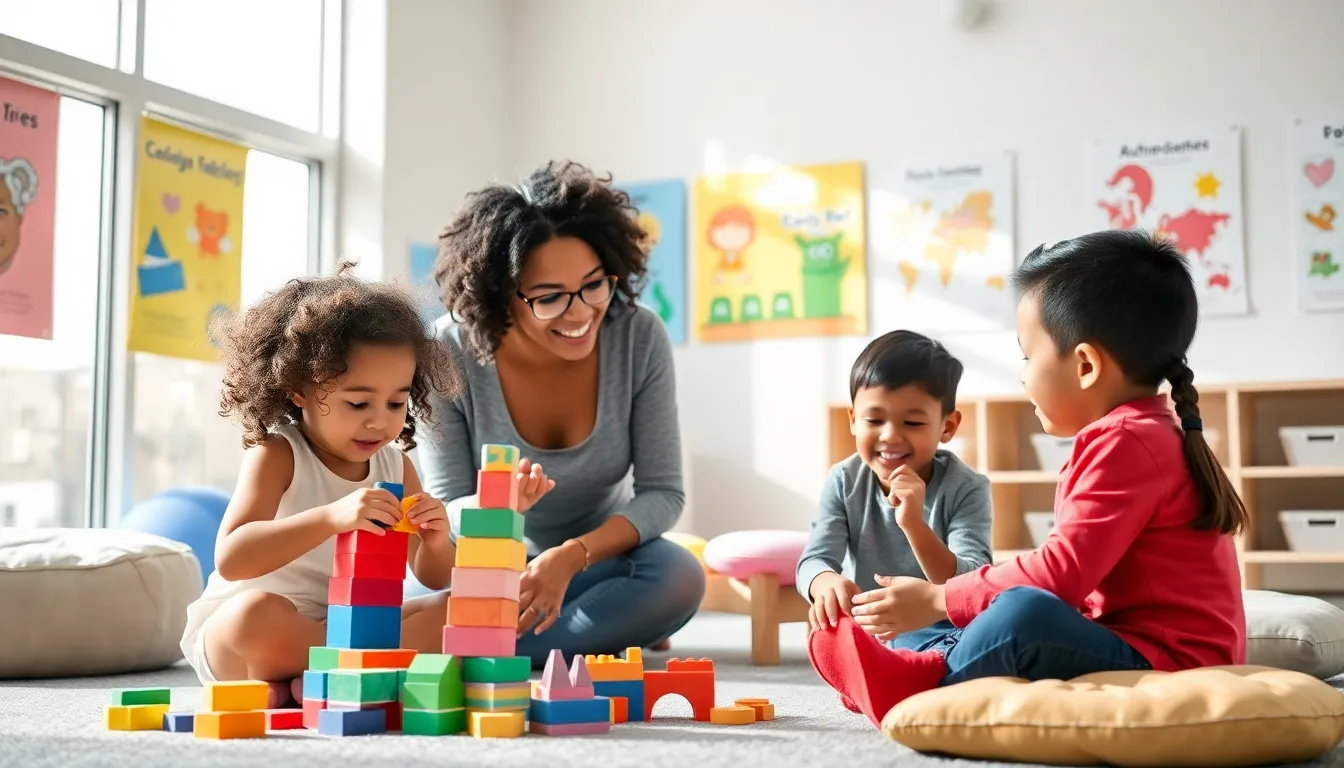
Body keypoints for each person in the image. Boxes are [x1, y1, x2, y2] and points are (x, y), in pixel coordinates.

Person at [808, 229, 1248, 728]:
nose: (1021, 374)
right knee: (931, 628)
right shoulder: (1145, 431)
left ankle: (918, 686)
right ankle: (918, 661)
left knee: (1022, 615)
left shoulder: (1126, 441)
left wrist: (937, 597)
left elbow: (1060, 577)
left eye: (1026, 355)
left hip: (1168, 664)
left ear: (1084, 364)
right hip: (1133, 642)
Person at [417, 160, 705, 667]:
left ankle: (490, 646)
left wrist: (573, 556)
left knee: (678, 577)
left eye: (594, 285)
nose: (580, 312)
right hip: (486, 558)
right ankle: (591, 631)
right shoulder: (446, 352)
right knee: (408, 585)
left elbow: (664, 494)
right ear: (499, 298)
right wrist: (500, 510)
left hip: (598, 557)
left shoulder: (638, 337)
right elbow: (448, 505)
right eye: (549, 298)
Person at [179, 263, 461, 708]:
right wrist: (332, 517)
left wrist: (437, 539)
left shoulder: (395, 467)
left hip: (346, 625)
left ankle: (306, 676)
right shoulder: (277, 454)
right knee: (253, 618)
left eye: (396, 402)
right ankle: (332, 671)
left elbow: (430, 574)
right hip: (256, 628)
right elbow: (233, 558)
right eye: (358, 402)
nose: (379, 420)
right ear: (297, 390)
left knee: (455, 613)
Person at [798, 330, 992, 654]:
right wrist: (824, 582)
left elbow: (970, 581)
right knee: (826, 633)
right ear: (852, 420)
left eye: (913, 423)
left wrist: (913, 524)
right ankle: (884, 669)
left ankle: (910, 671)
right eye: (874, 420)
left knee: (995, 631)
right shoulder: (844, 480)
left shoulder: (967, 487)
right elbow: (814, 560)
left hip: (946, 626)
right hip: (874, 628)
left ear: (947, 426)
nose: (889, 436)